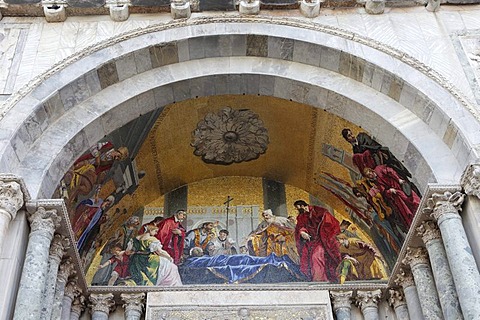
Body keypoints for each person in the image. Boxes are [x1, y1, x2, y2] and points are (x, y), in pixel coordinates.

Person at [294, 200, 341, 282]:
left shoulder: (319, 211)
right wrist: (302, 232)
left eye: (297, 208)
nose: (297, 210)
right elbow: (301, 226)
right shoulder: (302, 216)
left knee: (316, 256)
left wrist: (324, 233)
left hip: (322, 239)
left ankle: (319, 279)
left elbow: (330, 222)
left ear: (302, 205)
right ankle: (312, 279)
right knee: (306, 258)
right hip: (310, 240)